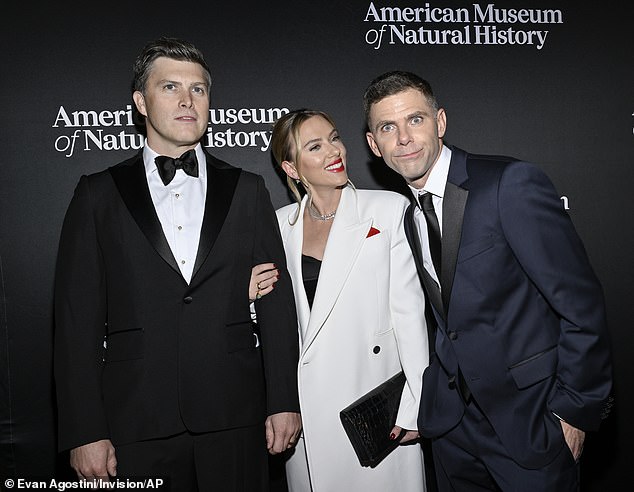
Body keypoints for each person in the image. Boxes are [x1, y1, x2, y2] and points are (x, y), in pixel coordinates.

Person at [53, 37, 301, 490]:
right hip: (135, 421)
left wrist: (284, 399)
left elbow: (276, 305)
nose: (188, 101)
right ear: (140, 102)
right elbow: (75, 324)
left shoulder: (249, 189)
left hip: (236, 416)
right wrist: (84, 429)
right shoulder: (97, 195)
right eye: (170, 88)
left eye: (199, 90)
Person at [363, 70, 613, 491]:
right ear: (374, 144)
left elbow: (581, 306)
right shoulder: (409, 217)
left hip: (530, 425)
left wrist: (574, 412)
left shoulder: (508, 184)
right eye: (388, 127)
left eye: (415, 120)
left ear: (440, 122)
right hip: (453, 434)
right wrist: (431, 412)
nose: (403, 137)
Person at [251, 108, 429, 492]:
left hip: (375, 409)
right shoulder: (278, 225)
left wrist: (416, 403)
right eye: (316, 146)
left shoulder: (386, 210)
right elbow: (275, 323)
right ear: (292, 168)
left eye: (334, 138)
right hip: (309, 414)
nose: (335, 151)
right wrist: (249, 296)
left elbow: (409, 315)